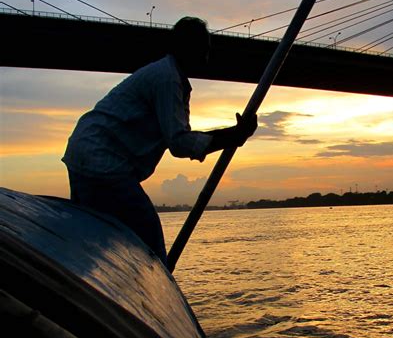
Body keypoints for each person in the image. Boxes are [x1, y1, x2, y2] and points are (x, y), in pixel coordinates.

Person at [62, 17, 257, 267]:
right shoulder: (167, 79)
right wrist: (234, 136)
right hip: (100, 160)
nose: (208, 57)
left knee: (95, 234)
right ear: (189, 49)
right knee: (148, 232)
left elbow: (178, 136)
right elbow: (179, 143)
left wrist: (233, 135)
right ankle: (156, 289)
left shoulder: (168, 76)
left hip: (85, 153)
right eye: (204, 50)